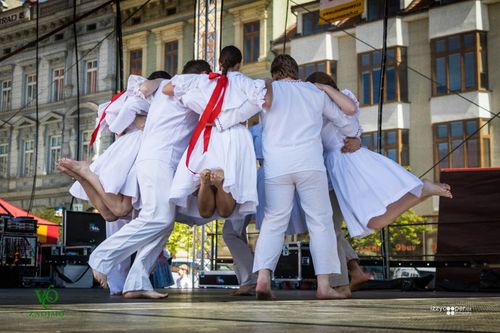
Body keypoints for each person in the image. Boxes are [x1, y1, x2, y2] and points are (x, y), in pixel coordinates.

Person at [87, 60, 212, 299]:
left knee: (165, 222)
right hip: (158, 161)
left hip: (162, 162)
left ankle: (137, 280)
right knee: (157, 217)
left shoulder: (169, 86)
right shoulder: (188, 84)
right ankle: (102, 257)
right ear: (202, 75)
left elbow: (150, 87)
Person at [250, 54, 361, 300]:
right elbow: (348, 121)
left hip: (276, 167)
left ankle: (263, 279)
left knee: (273, 222)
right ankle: (324, 286)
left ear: (275, 73)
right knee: (320, 223)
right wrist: (355, 136)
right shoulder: (313, 92)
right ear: (296, 72)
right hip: (310, 165)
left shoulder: (267, 90)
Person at [306, 71, 452, 238]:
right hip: (341, 164)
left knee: (371, 220)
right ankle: (424, 189)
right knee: (371, 221)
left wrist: (324, 88)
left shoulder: (338, 102)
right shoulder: (317, 112)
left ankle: (424, 188)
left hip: (348, 163)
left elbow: (351, 116)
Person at [164, 45, 272, 220]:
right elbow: (263, 101)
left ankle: (206, 183)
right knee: (227, 210)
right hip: (234, 136)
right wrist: (227, 119)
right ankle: (220, 184)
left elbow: (168, 89)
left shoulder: (205, 80)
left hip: (208, 135)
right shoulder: (245, 82)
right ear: (239, 65)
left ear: (220, 62)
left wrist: (206, 112)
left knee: (204, 212)